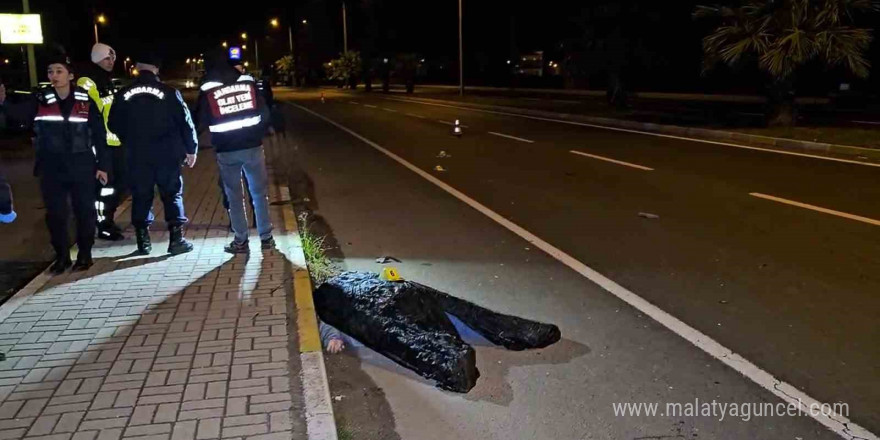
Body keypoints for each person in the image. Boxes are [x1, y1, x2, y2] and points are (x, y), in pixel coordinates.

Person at [0, 55, 109, 273]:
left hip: (82, 165)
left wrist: (103, 166)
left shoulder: (85, 100)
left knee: (84, 212)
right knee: (56, 215)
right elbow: (17, 118)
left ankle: (85, 254)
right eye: (50, 71)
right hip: (51, 167)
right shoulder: (39, 100)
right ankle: (61, 256)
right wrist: (2, 102)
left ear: (70, 76)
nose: (54, 76)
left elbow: (99, 135)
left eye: (59, 71)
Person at [108, 53, 197, 256]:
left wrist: (128, 139)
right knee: (172, 195)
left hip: (137, 155)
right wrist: (191, 149)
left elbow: (113, 123)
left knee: (141, 196)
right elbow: (185, 122)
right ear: (156, 69)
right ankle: (176, 241)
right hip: (167, 154)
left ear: (138, 68)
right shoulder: (170, 92)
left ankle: (143, 243)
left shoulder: (123, 94)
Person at [197, 50, 274, 254]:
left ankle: (241, 240)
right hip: (252, 146)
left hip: (226, 150)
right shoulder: (248, 83)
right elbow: (265, 111)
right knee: (259, 193)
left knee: (234, 196)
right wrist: (258, 132)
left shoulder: (208, 88)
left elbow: (201, 120)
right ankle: (266, 238)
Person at [78, 43, 126, 241]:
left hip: (114, 143)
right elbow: (89, 116)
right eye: (107, 58)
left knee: (117, 186)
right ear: (97, 59)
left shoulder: (106, 79)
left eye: (113, 58)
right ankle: (103, 225)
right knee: (104, 188)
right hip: (100, 144)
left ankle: (108, 220)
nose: (111, 62)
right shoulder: (87, 81)